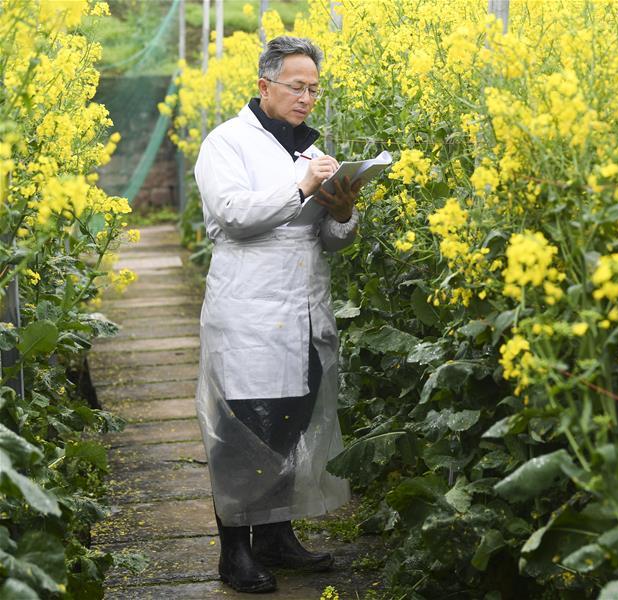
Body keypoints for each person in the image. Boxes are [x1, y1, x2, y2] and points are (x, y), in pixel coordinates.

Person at [193, 36, 361, 593]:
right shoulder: (226, 143)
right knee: (244, 430)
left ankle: (275, 537)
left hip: (304, 312)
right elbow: (234, 214)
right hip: (249, 310)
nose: (308, 97)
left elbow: (330, 240)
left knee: (289, 421)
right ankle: (233, 553)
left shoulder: (312, 150)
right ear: (265, 85)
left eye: (314, 88)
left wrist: (343, 210)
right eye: (297, 86)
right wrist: (301, 184)